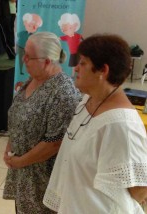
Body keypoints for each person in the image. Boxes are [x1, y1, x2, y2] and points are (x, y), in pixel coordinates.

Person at [43, 34, 147, 213]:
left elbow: (140, 189)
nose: (76, 68)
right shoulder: (87, 101)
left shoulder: (122, 124)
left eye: (82, 63)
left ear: (103, 71)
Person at [2, 32, 81, 213]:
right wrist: (10, 146)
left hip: (43, 180)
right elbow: (17, 116)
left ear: (47, 61)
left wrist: (20, 161)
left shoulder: (63, 92)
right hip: (24, 175)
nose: (24, 60)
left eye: (29, 57)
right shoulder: (32, 80)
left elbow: (54, 143)